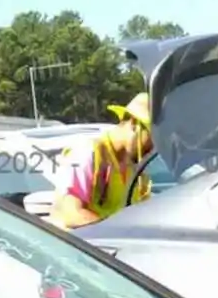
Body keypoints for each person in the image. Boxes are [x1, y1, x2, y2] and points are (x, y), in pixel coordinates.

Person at [47, 93, 154, 230]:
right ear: (134, 124)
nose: (153, 147)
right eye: (152, 138)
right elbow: (72, 215)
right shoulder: (87, 153)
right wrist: (118, 232)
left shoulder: (135, 170)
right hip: (76, 248)